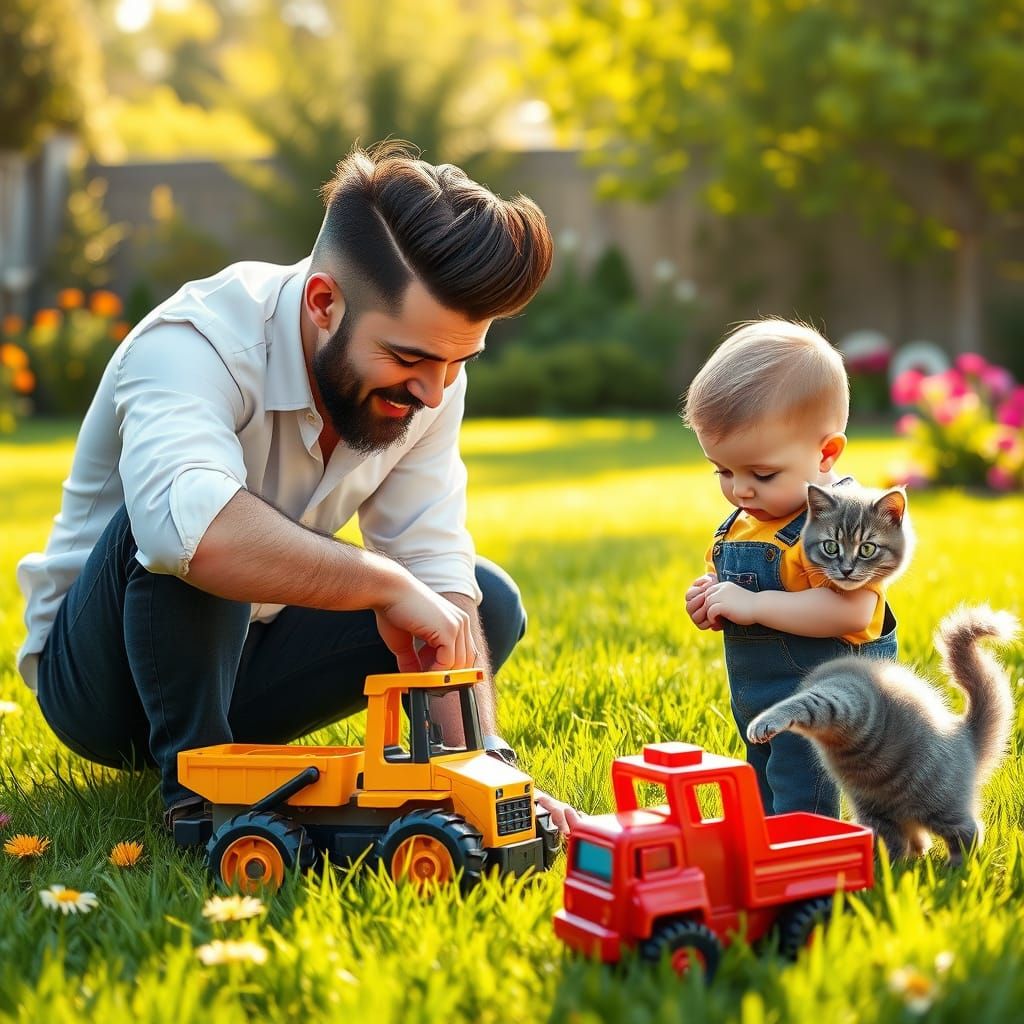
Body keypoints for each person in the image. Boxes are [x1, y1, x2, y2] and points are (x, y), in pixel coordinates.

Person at [16, 143, 580, 833]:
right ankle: (200, 798)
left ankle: (331, 762)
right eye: (410, 358)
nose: (434, 392)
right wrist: (385, 585)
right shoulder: (193, 343)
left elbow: (431, 558)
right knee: (184, 517)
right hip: (104, 685)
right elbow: (183, 533)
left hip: (253, 659)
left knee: (479, 603)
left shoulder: (429, 383)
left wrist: (482, 770)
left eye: (459, 362)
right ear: (323, 303)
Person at [681, 319, 899, 817]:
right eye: (723, 471)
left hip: (828, 699)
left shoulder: (839, 523)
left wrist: (755, 605)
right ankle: (765, 855)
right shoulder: (750, 519)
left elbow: (851, 612)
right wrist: (713, 597)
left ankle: (811, 878)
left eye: (761, 473)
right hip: (760, 694)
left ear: (826, 453)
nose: (741, 490)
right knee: (763, 784)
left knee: (802, 797)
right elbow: (745, 590)